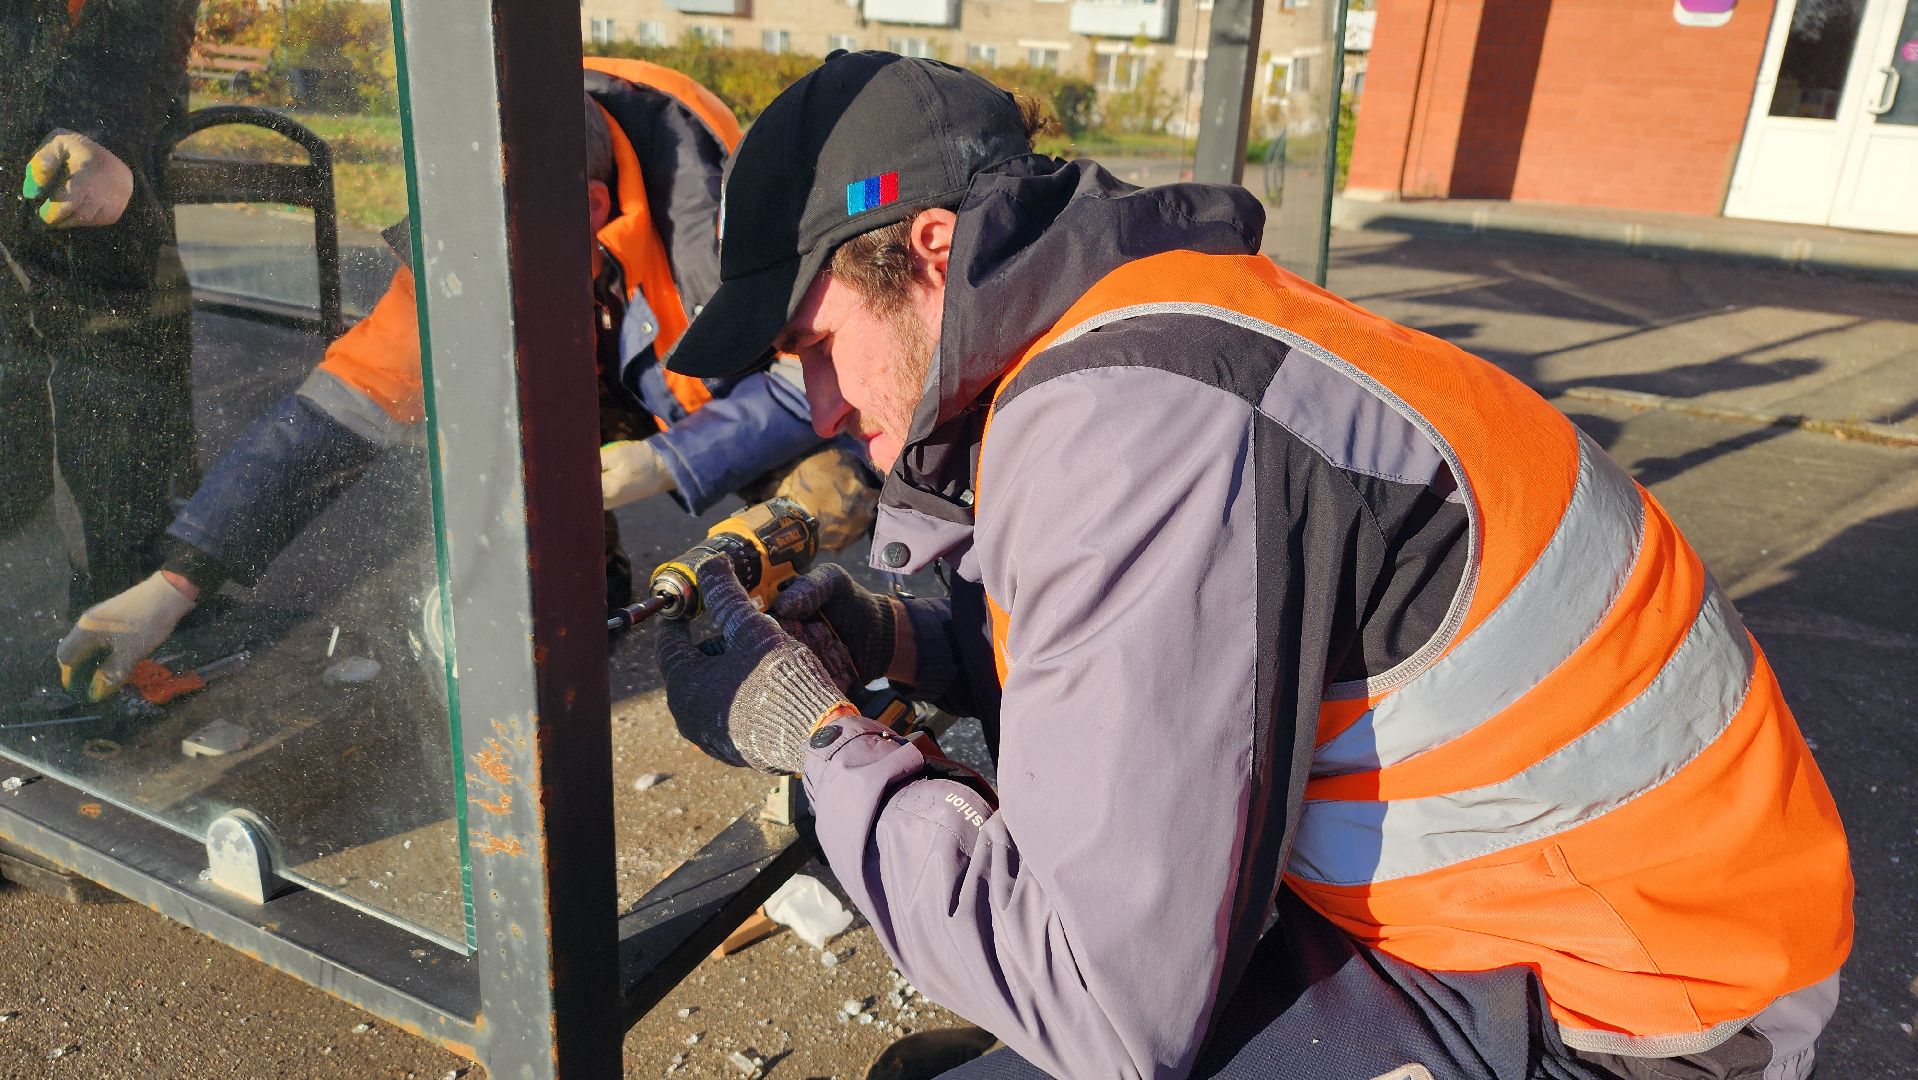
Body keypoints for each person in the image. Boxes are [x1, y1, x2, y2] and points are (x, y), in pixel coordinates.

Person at [652, 52, 1853, 1080]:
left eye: (815, 345)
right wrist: (891, 639)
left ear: (928, 250)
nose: (814, 403)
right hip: (1597, 915)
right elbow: (1164, 661)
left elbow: (1099, 1000)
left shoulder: (1127, 428)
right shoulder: (1149, 327)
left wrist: (811, 738)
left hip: (1636, 1015)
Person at [55, 58, 875, 702]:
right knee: (500, 429)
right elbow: (338, 413)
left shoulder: (727, 228)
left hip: (733, 387)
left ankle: (810, 669)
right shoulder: (480, 224)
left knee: (826, 489)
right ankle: (587, 605)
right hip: (600, 341)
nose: (477, 272)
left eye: (498, 252)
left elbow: (813, 381)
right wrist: (172, 585)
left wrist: (670, 462)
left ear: (590, 211)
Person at [1, 0, 198, 610]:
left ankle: (121, 575)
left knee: (115, 313)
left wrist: (103, 133)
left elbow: (146, 28)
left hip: (88, 144)